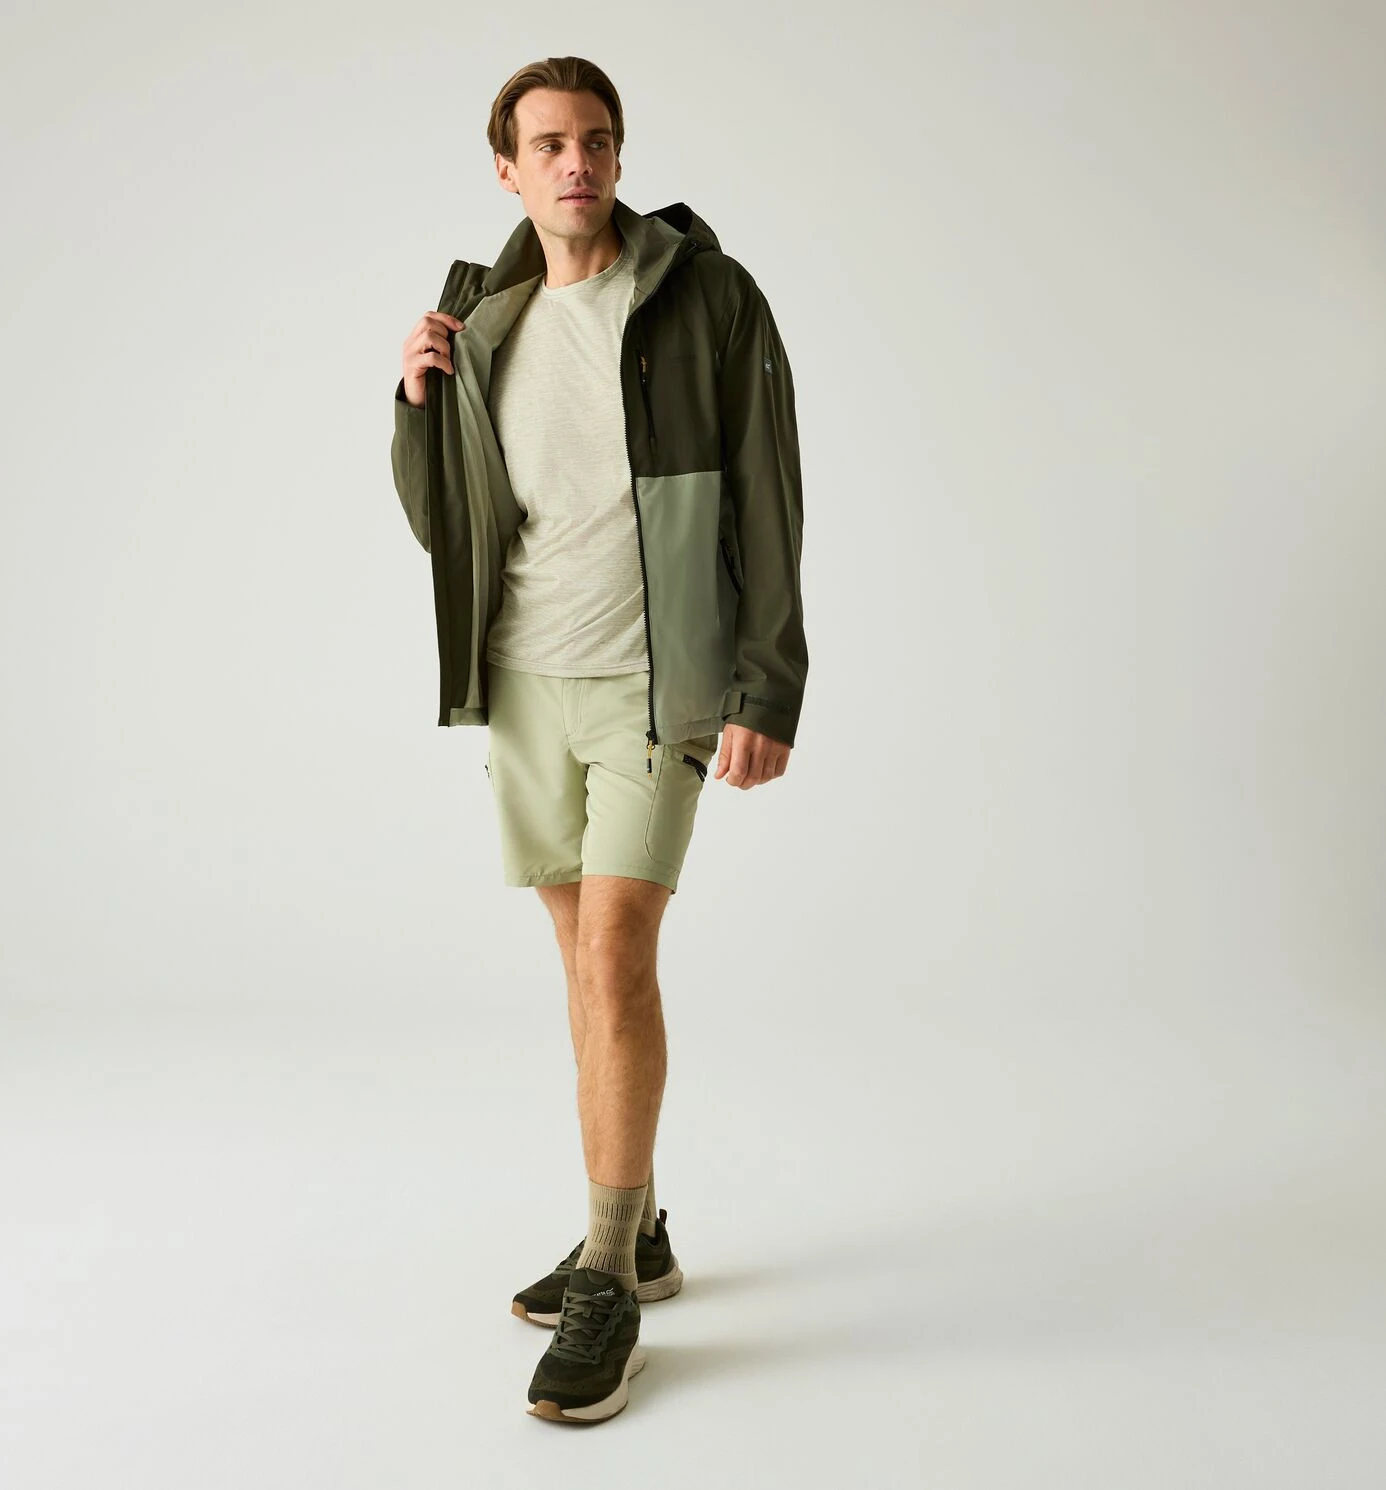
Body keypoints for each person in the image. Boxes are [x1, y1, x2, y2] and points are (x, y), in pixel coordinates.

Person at [389, 55, 807, 1423]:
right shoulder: (483, 314)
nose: (578, 162)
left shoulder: (704, 296)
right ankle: (641, 1225)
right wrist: (414, 404)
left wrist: (766, 685)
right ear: (507, 168)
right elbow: (446, 523)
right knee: (584, 971)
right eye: (550, 143)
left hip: (652, 682)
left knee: (617, 956)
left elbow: (769, 490)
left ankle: (610, 1278)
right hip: (524, 682)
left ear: (619, 157)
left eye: (598, 139)